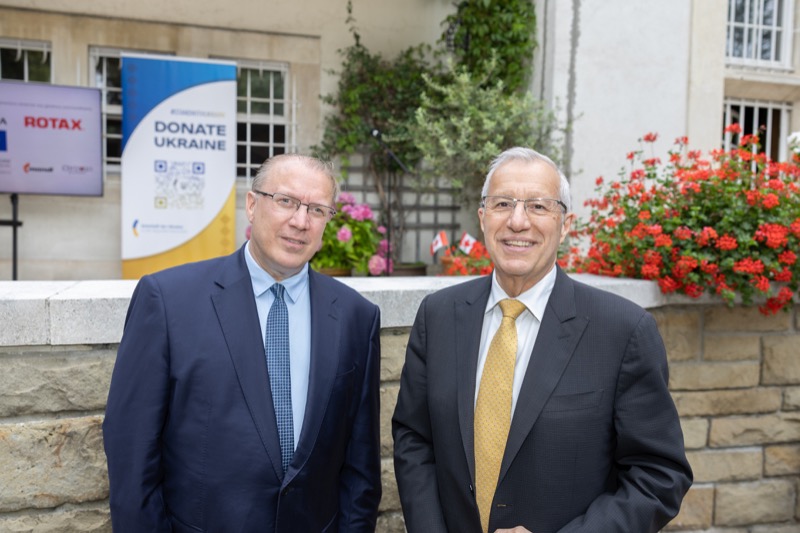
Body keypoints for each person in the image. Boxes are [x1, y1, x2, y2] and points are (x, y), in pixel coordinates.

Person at [392, 147, 692, 533]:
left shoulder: (623, 331)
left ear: (565, 225)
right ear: (482, 218)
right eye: (502, 204)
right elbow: (414, 439)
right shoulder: (438, 315)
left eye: (538, 206)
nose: (518, 222)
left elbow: (659, 475)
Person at [103, 154, 382, 532]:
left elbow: (361, 467)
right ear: (252, 205)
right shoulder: (168, 301)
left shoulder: (356, 317)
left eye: (317, 210)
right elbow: (132, 454)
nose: (300, 221)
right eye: (285, 201)